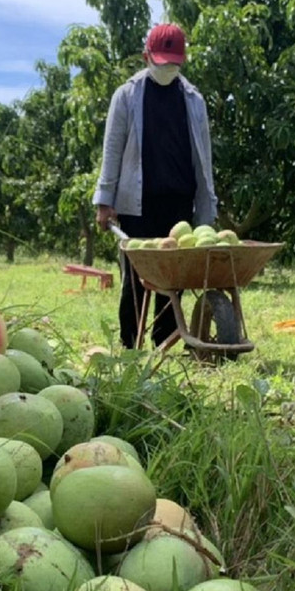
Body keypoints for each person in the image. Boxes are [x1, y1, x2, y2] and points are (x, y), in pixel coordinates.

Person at [93, 22, 219, 350]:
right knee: (134, 282)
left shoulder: (193, 100)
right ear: (146, 55)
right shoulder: (127, 96)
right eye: (161, 63)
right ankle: (129, 346)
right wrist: (104, 199)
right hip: (137, 204)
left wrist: (207, 209)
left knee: (172, 281)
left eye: (173, 64)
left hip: (179, 203)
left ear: (183, 61)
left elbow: (203, 157)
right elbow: (113, 147)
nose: (166, 69)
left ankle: (163, 342)